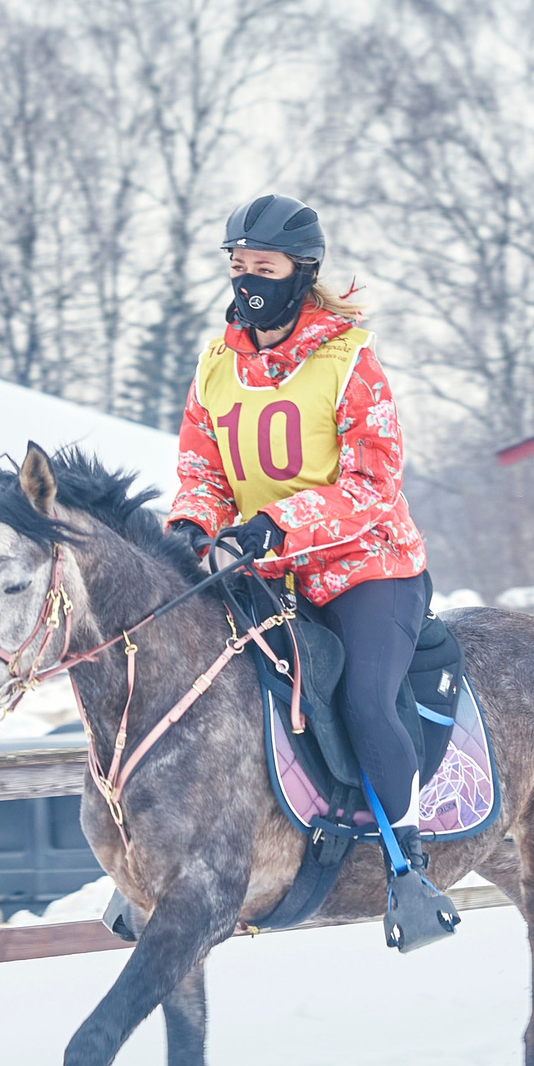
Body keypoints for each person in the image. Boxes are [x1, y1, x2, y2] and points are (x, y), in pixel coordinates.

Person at [165, 195, 432, 829]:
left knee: (365, 702)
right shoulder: (214, 367)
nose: (248, 281)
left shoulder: (351, 364)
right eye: (239, 265)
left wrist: (275, 526)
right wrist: (191, 526)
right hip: (260, 570)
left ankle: (409, 858)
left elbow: (373, 483)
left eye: (266, 267)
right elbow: (203, 474)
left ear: (302, 275)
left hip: (366, 569)